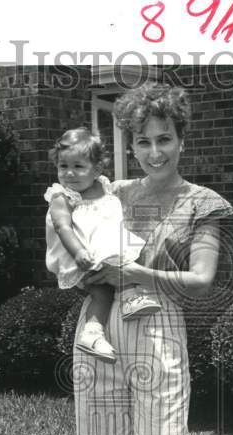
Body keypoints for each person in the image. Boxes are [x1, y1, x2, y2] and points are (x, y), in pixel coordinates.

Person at [75, 83, 233, 435]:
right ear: (129, 146)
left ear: (181, 140)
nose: (154, 152)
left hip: (158, 330)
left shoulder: (202, 204)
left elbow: (201, 281)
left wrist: (139, 273)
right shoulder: (112, 194)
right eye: (142, 142)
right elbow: (65, 225)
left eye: (163, 139)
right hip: (99, 329)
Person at [44, 128, 162, 363]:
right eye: (63, 166)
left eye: (78, 167)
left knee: (125, 266)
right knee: (101, 290)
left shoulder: (104, 186)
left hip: (107, 247)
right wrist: (78, 253)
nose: (69, 174)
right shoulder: (62, 196)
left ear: (97, 169)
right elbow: (62, 227)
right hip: (81, 252)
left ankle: (129, 298)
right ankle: (93, 332)